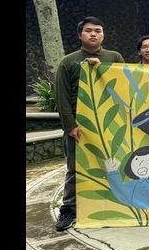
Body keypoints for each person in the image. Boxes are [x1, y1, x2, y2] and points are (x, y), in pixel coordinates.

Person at [54, 16, 126, 232]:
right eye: (88, 30)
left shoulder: (114, 57)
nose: (93, 34)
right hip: (79, 125)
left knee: (113, 163)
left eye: (98, 30)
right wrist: (70, 125)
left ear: (103, 35)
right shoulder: (68, 62)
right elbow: (62, 97)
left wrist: (103, 68)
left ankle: (113, 203)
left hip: (108, 122)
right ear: (80, 35)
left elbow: (125, 83)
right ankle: (69, 208)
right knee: (75, 167)